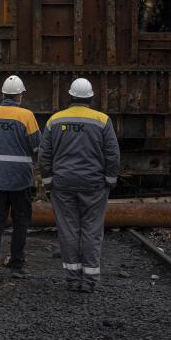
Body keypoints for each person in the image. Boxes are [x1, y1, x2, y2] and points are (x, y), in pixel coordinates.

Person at [39, 78, 120, 292]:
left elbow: (44, 155)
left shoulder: (55, 120)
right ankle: (90, 280)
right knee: (92, 230)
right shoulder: (102, 120)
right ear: (91, 97)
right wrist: (110, 180)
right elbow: (112, 154)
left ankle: (73, 278)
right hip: (94, 185)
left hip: (63, 184)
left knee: (68, 230)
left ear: (70, 96)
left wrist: (48, 182)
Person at [0, 75, 40, 282]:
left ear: (2, 94)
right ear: (20, 95)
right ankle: (17, 264)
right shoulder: (27, 116)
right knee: (20, 221)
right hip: (20, 179)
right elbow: (37, 146)